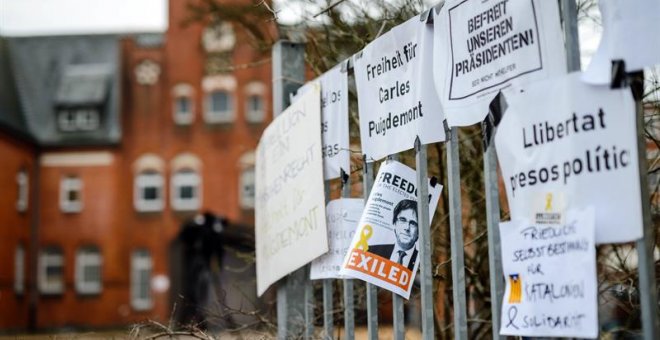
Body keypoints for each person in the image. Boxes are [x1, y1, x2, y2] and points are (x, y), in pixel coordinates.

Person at [369, 199, 419, 271]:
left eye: (413, 223)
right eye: (402, 220)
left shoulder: (423, 262)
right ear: (394, 223)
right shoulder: (372, 252)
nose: (407, 228)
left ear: (419, 231)